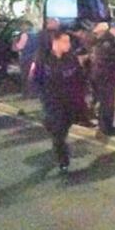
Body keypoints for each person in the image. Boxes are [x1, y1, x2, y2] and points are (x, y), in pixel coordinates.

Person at [32, 31, 82, 173]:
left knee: (64, 127)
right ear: (56, 42)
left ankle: (58, 140)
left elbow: (79, 77)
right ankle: (63, 160)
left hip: (69, 101)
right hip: (53, 101)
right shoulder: (43, 59)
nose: (69, 45)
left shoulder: (71, 58)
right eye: (65, 42)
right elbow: (36, 79)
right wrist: (44, 96)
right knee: (58, 132)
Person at [89, 22, 115, 137]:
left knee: (104, 102)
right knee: (108, 103)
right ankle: (106, 128)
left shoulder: (98, 41)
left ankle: (104, 126)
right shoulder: (110, 41)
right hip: (108, 75)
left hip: (99, 75)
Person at [12, 19, 40, 97]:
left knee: (25, 76)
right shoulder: (37, 34)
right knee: (34, 76)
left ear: (27, 25)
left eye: (22, 25)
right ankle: (35, 93)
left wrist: (14, 41)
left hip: (26, 58)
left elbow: (18, 47)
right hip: (36, 58)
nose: (21, 27)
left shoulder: (25, 35)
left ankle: (26, 94)